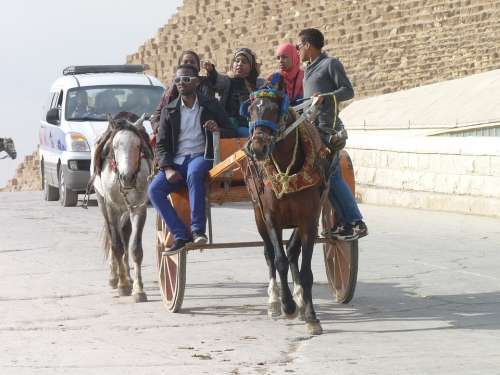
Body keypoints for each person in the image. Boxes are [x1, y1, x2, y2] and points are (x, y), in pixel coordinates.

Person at [148, 64, 231, 253]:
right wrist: (167, 169)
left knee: (194, 174)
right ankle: (180, 234)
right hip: (176, 162)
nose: (180, 84)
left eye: (185, 79)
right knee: (153, 190)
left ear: (196, 81)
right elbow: (161, 144)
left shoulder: (210, 105)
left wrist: (217, 130)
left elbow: (230, 130)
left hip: (201, 156)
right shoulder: (169, 110)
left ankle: (197, 231)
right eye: (177, 80)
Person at [297, 28, 368, 241]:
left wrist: (326, 97)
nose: (298, 50)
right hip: (312, 130)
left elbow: (348, 91)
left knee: (333, 176)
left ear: (308, 45)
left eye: (299, 46)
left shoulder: (331, 64)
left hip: (328, 130)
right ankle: (344, 223)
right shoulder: (309, 70)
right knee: (324, 180)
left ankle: (356, 221)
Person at [204, 48, 266, 137]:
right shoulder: (228, 81)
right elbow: (217, 80)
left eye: (244, 62)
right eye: (237, 61)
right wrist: (211, 71)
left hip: (251, 124)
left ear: (251, 67)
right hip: (230, 125)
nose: (239, 64)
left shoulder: (257, 84)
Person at [151, 50, 215, 133]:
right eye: (185, 62)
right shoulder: (169, 91)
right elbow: (157, 116)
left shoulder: (205, 85)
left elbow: (218, 83)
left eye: (192, 62)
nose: (188, 64)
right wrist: (159, 128)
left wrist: (212, 72)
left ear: (198, 68)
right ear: (179, 67)